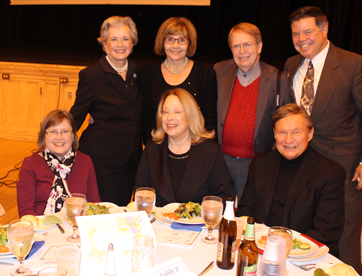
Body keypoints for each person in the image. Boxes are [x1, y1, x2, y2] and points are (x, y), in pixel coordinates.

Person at [285, 6, 362, 273]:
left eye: (307, 31)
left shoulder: (354, 64)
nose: (301, 39)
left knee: (344, 242)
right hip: (302, 168)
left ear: (324, 29)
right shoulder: (291, 65)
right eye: (295, 34)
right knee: (305, 239)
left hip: (344, 172)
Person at [236, 104, 345, 257]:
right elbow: (246, 210)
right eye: (282, 132)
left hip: (306, 257)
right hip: (261, 250)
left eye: (296, 132)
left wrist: (286, 248)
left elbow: (326, 233)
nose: (288, 140)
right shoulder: (260, 163)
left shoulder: (330, 173)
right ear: (274, 134)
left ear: (310, 133)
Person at [70, 16, 142, 206]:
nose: (120, 44)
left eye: (125, 39)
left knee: (122, 212)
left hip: (132, 160)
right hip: (102, 161)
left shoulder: (138, 72)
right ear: (104, 44)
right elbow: (75, 116)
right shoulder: (91, 75)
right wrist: (56, 142)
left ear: (133, 43)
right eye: (114, 39)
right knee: (104, 214)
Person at [214, 22, 289, 201]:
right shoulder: (219, 72)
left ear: (259, 46)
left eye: (247, 44)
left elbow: (285, 122)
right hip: (221, 161)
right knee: (221, 216)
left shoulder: (278, 79)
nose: (242, 51)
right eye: (236, 46)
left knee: (251, 217)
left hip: (256, 165)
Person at [134, 88, 231, 207]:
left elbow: (222, 198)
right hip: (157, 224)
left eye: (177, 112)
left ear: (191, 115)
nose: (169, 117)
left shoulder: (211, 151)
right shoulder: (152, 149)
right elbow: (139, 193)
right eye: (165, 112)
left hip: (198, 224)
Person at [140, 17, 217, 145]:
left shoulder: (205, 74)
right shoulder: (148, 74)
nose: (175, 46)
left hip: (195, 150)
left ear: (189, 43)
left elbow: (209, 120)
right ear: (162, 42)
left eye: (182, 40)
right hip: (158, 150)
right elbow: (146, 121)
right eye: (170, 39)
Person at [17, 110, 100, 216]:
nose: (59, 137)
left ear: (73, 136)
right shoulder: (31, 164)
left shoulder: (85, 160)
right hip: (43, 227)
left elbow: (94, 203)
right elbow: (26, 211)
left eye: (65, 131)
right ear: (44, 135)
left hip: (77, 224)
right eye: (53, 131)